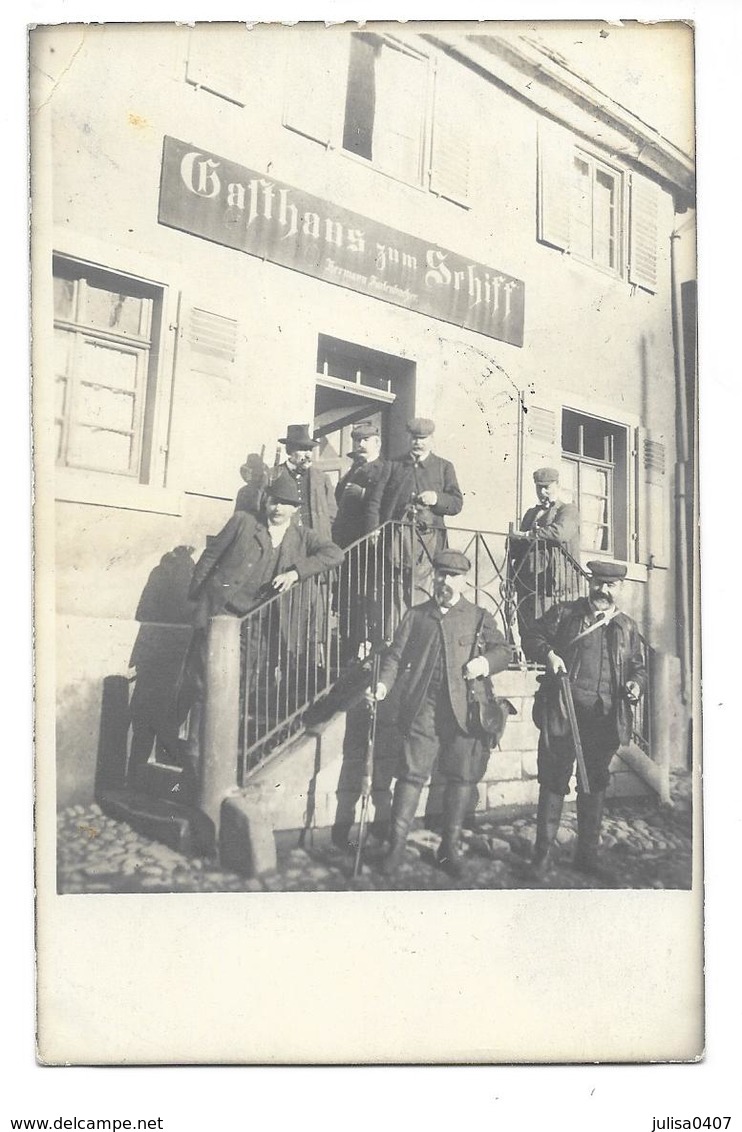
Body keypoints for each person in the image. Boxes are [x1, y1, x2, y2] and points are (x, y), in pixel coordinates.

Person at [368, 550, 513, 878]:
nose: (445, 582)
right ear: (433, 577)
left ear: (464, 581)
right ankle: (395, 847)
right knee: (411, 774)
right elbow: (394, 656)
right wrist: (382, 686)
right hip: (424, 708)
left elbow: (504, 650)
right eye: (441, 575)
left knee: (461, 777)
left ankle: (449, 849)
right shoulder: (417, 615)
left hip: (465, 710)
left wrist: (484, 663)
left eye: (452, 576)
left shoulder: (478, 616)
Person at [523, 560, 647, 883]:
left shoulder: (627, 627)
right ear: (589, 583)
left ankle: (586, 856)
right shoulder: (566, 614)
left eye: (610, 586)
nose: (603, 591)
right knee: (553, 779)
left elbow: (638, 667)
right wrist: (549, 655)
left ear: (620, 588)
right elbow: (532, 635)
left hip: (604, 719)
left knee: (594, 783)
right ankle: (542, 856)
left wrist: (635, 685)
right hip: (564, 713)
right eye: (598, 584)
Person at [184, 470, 344, 706]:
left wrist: (296, 572)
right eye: (275, 501)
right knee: (204, 678)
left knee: (245, 677)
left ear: (295, 509)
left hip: (257, 619)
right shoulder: (243, 522)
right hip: (222, 610)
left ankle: (227, 736)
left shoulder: (302, 536)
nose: (278, 508)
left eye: (286, 504)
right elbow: (210, 556)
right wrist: (196, 597)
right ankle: (195, 742)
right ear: (266, 501)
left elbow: (335, 554)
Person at [366, 417, 463, 608]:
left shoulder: (444, 467)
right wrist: (373, 529)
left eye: (423, 438)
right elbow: (375, 501)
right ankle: (395, 635)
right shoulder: (394, 465)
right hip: (396, 540)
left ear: (431, 439)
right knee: (394, 590)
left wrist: (437, 498)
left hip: (429, 542)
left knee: (424, 590)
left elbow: (456, 503)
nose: (418, 442)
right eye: (414, 438)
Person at [333, 421, 392, 656]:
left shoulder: (385, 468)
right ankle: (349, 648)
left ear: (377, 442)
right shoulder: (351, 471)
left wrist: (364, 493)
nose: (360, 444)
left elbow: (389, 502)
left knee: (368, 597)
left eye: (365, 440)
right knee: (348, 597)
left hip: (369, 545)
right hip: (348, 545)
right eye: (357, 440)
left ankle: (370, 649)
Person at [509, 467, 581, 655]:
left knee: (550, 631)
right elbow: (519, 544)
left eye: (547, 487)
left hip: (553, 585)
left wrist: (528, 534)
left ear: (558, 485)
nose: (542, 492)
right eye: (538, 488)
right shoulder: (531, 513)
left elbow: (560, 532)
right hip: (528, 583)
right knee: (527, 630)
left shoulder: (568, 510)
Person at [273, 423, 337, 541]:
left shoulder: (322, 478)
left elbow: (332, 511)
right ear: (290, 451)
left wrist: (323, 528)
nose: (308, 454)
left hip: (316, 539)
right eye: (302, 449)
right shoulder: (275, 475)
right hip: (285, 540)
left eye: (310, 449)